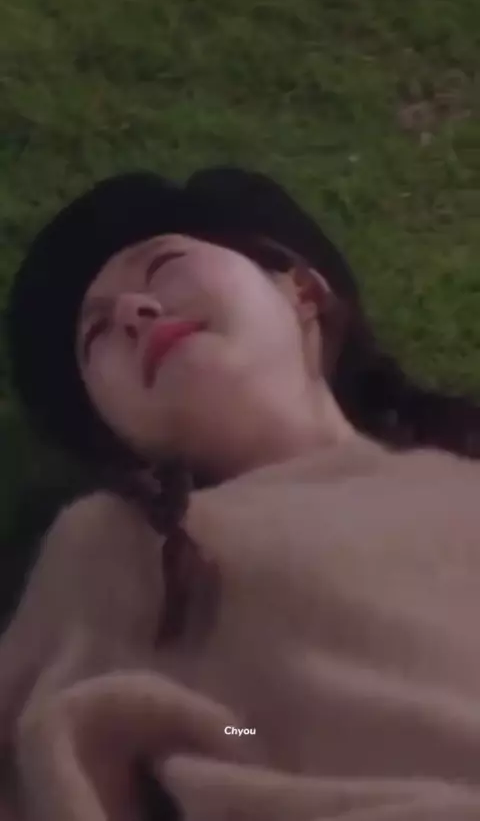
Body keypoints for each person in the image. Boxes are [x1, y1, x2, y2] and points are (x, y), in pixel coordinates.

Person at [2, 167, 480, 821]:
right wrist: (255, 731)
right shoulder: (129, 545)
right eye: (96, 335)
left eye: (164, 266)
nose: (133, 312)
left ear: (302, 289)